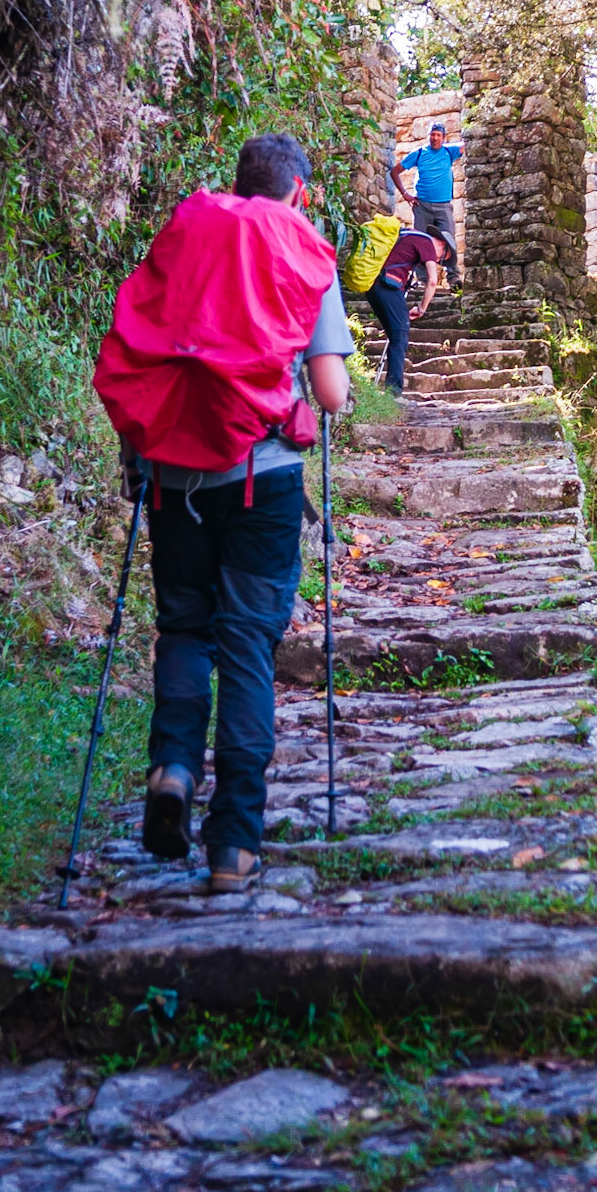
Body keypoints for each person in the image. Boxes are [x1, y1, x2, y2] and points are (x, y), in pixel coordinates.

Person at [137, 134, 352, 893]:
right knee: (248, 647)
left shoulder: (188, 237)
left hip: (171, 475)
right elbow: (329, 395)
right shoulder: (301, 248)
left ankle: (170, 771)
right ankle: (233, 846)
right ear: (298, 193)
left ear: (238, 185)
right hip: (262, 479)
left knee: (187, 630)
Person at [365, 227, 449, 398]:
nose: (438, 260)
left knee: (396, 334)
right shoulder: (426, 242)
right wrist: (422, 308)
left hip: (373, 284)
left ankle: (389, 388)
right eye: (442, 256)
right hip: (387, 285)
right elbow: (433, 281)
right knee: (400, 334)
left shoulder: (408, 235)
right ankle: (393, 392)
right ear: (441, 243)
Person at [392, 121, 462, 284]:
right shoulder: (419, 153)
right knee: (420, 241)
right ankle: (423, 281)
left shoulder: (449, 151)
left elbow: (467, 143)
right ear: (428, 136)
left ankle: (453, 279)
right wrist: (405, 194)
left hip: (443, 206)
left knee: (449, 239)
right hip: (422, 206)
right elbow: (395, 171)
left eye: (438, 135)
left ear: (444, 138)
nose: (435, 138)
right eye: (432, 134)